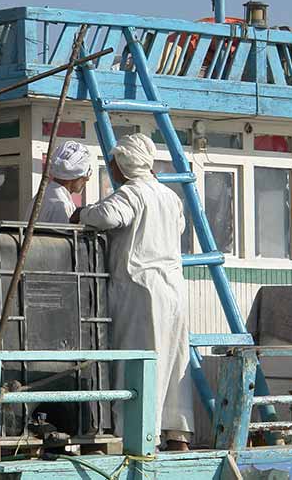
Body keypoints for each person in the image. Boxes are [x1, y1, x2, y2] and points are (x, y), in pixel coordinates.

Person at [70, 133, 193, 450]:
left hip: (141, 289)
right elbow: (177, 229)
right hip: (175, 288)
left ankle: (136, 436)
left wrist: (80, 214)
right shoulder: (169, 196)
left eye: (113, 162)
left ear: (123, 163)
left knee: (136, 361)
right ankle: (177, 433)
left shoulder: (130, 193)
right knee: (173, 360)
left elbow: (107, 216)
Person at [28, 140, 92, 224]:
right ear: (74, 177)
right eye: (86, 174)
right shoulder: (60, 205)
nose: (87, 179)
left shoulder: (43, 196)